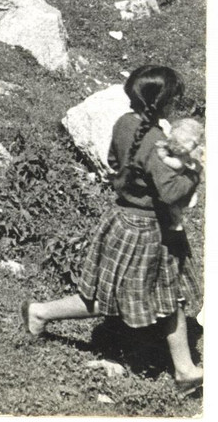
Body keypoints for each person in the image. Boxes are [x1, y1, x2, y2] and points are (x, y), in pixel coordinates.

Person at [22, 65, 203, 396]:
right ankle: (41, 311)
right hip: (148, 230)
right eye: (175, 98)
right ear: (164, 103)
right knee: (131, 297)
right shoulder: (155, 141)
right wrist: (194, 172)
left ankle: (185, 369)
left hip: (122, 218)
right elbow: (170, 192)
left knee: (158, 296)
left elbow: (112, 161)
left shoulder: (125, 124)